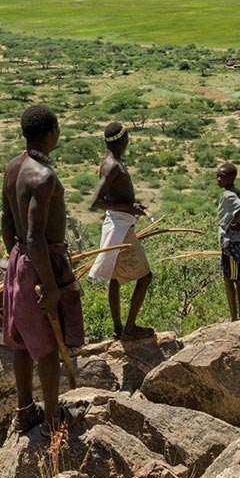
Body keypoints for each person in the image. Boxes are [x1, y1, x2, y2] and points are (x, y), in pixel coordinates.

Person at [0, 104, 86, 433]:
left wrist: (16, 260)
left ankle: (26, 411)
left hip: (20, 259)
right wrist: (50, 287)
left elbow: (6, 220)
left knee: (22, 341)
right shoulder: (43, 176)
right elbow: (36, 236)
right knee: (47, 346)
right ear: (52, 132)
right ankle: (52, 420)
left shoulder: (13, 168)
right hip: (41, 262)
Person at [87, 121, 153, 340]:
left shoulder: (111, 163)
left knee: (116, 279)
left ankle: (118, 328)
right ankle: (130, 328)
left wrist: (132, 206)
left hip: (119, 224)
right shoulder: (112, 165)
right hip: (121, 228)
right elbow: (97, 201)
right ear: (123, 140)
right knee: (145, 277)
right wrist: (128, 208)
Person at [214, 163, 240, 322]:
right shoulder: (237, 192)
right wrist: (236, 222)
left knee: (231, 279)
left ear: (232, 178)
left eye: (222, 176)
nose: (219, 179)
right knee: (236, 278)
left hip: (232, 242)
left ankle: (235, 318)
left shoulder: (228, 196)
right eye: (218, 175)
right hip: (237, 240)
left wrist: (233, 223)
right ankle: (239, 316)